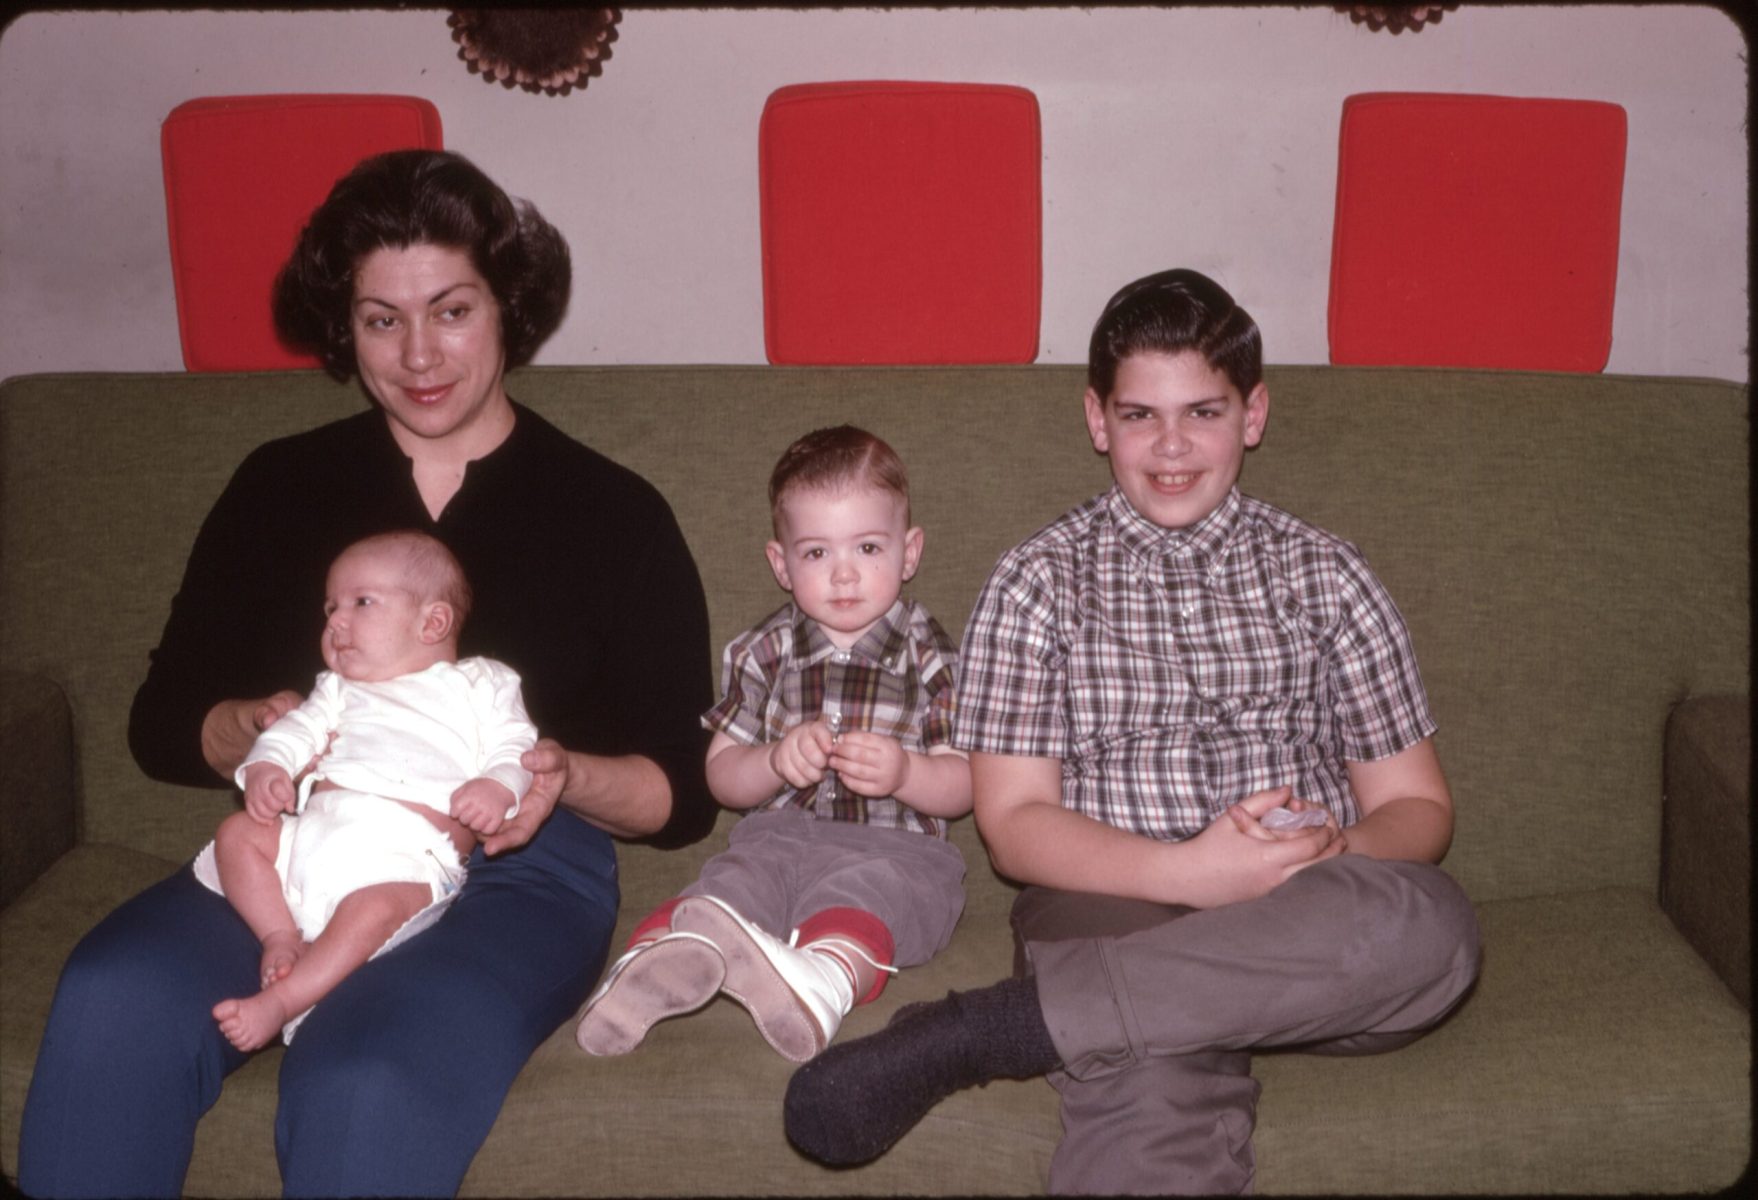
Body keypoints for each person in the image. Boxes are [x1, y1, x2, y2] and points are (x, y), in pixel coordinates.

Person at [18, 149, 714, 1199]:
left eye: (452, 310)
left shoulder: (614, 512)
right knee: (113, 992)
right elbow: (160, 722)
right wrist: (251, 731)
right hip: (308, 841)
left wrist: (561, 776)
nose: (419, 354)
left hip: (518, 874)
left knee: (366, 1076)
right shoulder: (278, 486)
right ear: (344, 327)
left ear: (508, 308)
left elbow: (683, 793)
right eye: (382, 319)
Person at [782, 269, 1482, 1194]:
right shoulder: (1036, 582)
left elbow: (1419, 807)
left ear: (1253, 414)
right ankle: (1100, 1014)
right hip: (1109, 895)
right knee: (1150, 1091)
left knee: (1435, 929)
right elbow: (1014, 823)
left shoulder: (1329, 576)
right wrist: (1187, 873)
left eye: (1204, 412)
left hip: (1306, 910)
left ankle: (994, 1030)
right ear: (1097, 419)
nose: (1172, 446)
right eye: (1140, 415)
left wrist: (1327, 849)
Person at [575, 426, 972, 1063]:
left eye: (868, 547)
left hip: (896, 847)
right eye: (816, 553)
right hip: (778, 839)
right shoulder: (761, 652)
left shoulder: (934, 657)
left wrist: (906, 773)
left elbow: (965, 785)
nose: (844, 573)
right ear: (782, 564)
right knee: (728, 886)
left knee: (875, 894)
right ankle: (651, 964)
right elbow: (721, 778)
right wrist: (773, 760)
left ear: (909, 551)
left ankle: (821, 980)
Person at [200, 531, 538, 1052]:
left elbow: (516, 746)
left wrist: (498, 786)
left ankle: (283, 1002)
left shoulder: (482, 684)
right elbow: (294, 732)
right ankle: (280, 935)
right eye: (330, 608)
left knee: (376, 908)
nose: (335, 621)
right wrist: (268, 766)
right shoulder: (336, 689)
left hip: (402, 860)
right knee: (238, 833)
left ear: (433, 622)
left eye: (361, 602)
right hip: (312, 840)